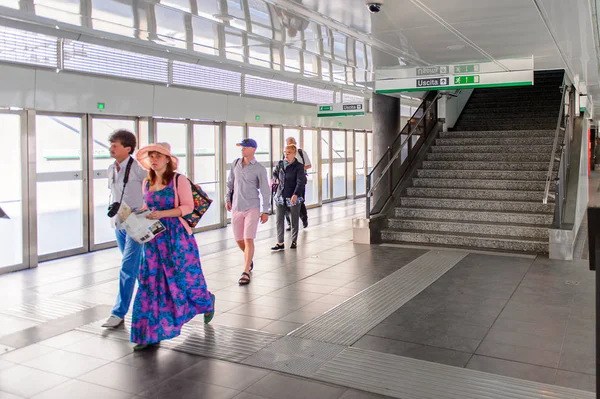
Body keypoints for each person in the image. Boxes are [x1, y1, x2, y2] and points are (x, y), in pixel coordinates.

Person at [130, 143, 215, 350]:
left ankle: (206, 300)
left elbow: (188, 207)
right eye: (151, 156)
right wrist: (137, 215)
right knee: (150, 283)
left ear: (168, 159)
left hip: (177, 237)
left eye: (159, 155)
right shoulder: (146, 182)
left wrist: (162, 214)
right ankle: (147, 333)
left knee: (184, 279)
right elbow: (147, 206)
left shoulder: (179, 180)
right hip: (153, 239)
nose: (154, 159)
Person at [102, 130, 148, 329]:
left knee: (127, 268)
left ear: (127, 149)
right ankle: (151, 298)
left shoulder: (139, 169)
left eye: (115, 146)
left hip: (136, 224)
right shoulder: (111, 168)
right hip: (119, 224)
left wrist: (146, 207)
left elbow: (154, 188)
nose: (111, 149)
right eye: (111, 145)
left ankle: (118, 312)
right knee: (135, 268)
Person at [225, 138, 270, 285]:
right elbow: (230, 183)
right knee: (239, 239)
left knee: (248, 238)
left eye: (245, 147)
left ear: (253, 149)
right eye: (241, 147)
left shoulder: (259, 169)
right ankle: (249, 259)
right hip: (237, 207)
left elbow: (265, 190)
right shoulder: (235, 164)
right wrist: (227, 199)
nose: (242, 149)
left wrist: (265, 210)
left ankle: (245, 271)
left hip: (252, 207)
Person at [271, 145, 305, 251]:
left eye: (289, 153)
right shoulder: (280, 164)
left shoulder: (298, 166)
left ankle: (293, 240)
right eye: (285, 152)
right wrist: (276, 179)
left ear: (294, 154)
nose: (286, 154)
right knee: (279, 219)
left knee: (293, 219)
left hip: (293, 196)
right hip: (280, 195)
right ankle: (280, 242)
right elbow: (274, 174)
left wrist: (295, 194)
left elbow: (300, 182)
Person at [284, 137, 311, 229]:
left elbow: (309, 165)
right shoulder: (285, 155)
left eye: (292, 143)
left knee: (299, 200)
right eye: (288, 143)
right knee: (286, 202)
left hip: (299, 181)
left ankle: (304, 218)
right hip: (288, 182)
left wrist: (298, 169)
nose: (290, 145)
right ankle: (290, 223)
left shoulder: (301, 153)